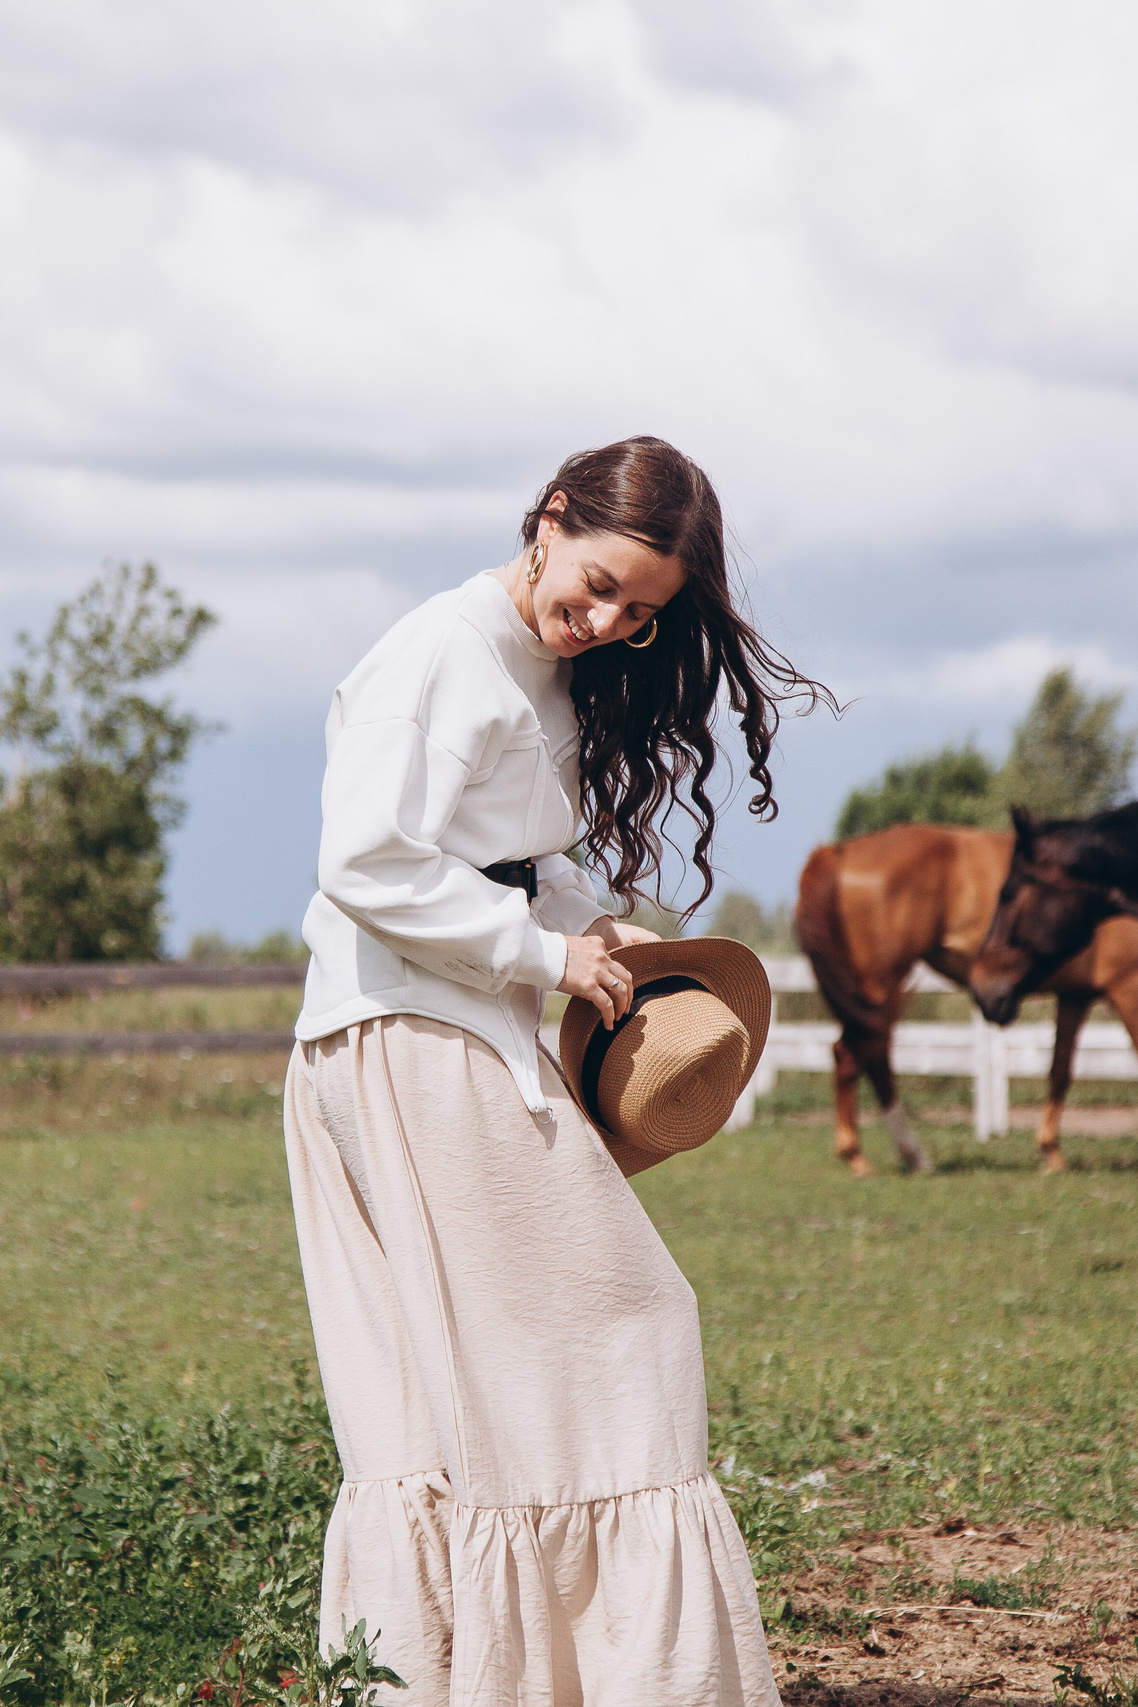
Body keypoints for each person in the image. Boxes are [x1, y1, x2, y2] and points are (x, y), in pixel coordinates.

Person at [283, 436, 829, 1706]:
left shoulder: (537, 671)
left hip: (443, 1029)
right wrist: (533, 953)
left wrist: (592, 927)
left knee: (457, 1386)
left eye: (640, 611)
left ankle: (462, 1675)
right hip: (409, 1038)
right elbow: (363, 861)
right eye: (595, 584)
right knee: (625, 1326)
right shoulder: (439, 652)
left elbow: (512, 859)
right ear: (547, 519)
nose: (605, 621)